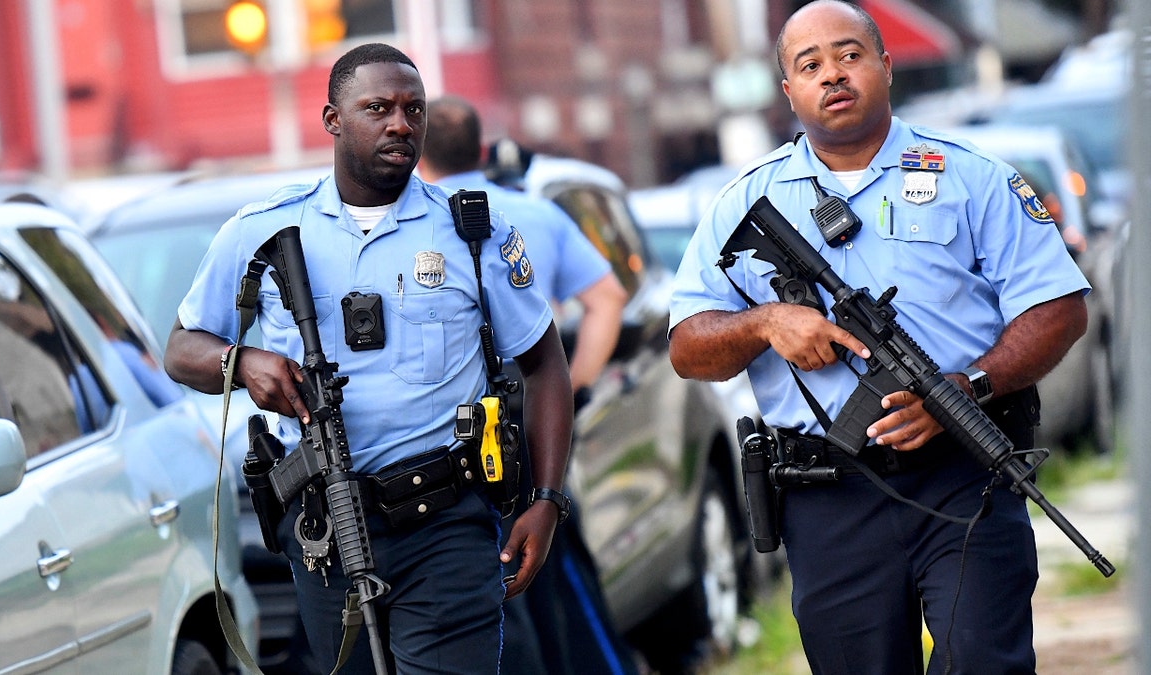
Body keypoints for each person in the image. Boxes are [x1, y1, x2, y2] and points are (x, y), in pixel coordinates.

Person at [667, 2, 1089, 673]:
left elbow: (1060, 308)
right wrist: (766, 322)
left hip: (964, 474)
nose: (833, 74)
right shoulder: (740, 203)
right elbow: (689, 345)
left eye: (850, 55)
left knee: (984, 659)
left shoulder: (971, 176)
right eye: (810, 65)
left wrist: (967, 387)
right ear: (788, 90)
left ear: (886, 67)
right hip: (827, 495)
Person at [163, 43, 574, 674]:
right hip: (324, 523)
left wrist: (546, 498)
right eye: (377, 108)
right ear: (333, 119)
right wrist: (242, 363)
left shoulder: (471, 235)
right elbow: (181, 348)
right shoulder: (260, 230)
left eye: (414, 109)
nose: (399, 124)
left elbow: (545, 364)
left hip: (448, 521)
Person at [418, 96, 637, 675]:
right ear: (483, 150)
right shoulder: (528, 214)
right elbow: (608, 298)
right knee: (557, 570)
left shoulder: (413, 224)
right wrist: (575, 384)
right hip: (527, 417)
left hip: (446, 445)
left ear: (418, 156)